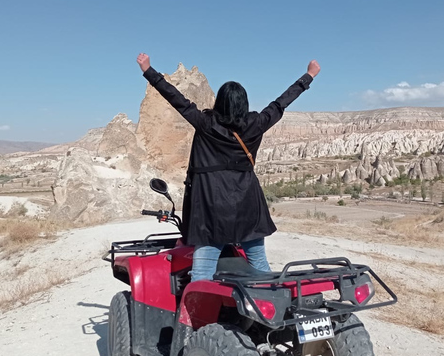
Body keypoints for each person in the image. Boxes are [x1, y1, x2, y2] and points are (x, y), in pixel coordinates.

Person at [137, 53, 320, 281]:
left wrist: (148, 71)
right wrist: (308, 76)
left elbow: (177, 99)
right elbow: (280, 104)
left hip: (211, 210)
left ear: (219, 102)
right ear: (244, 104)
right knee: (260, 265)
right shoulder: (256, 124)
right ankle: (270, 308)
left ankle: (197, 316)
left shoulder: (206, 124)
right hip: (248, 207)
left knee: (203, 272)